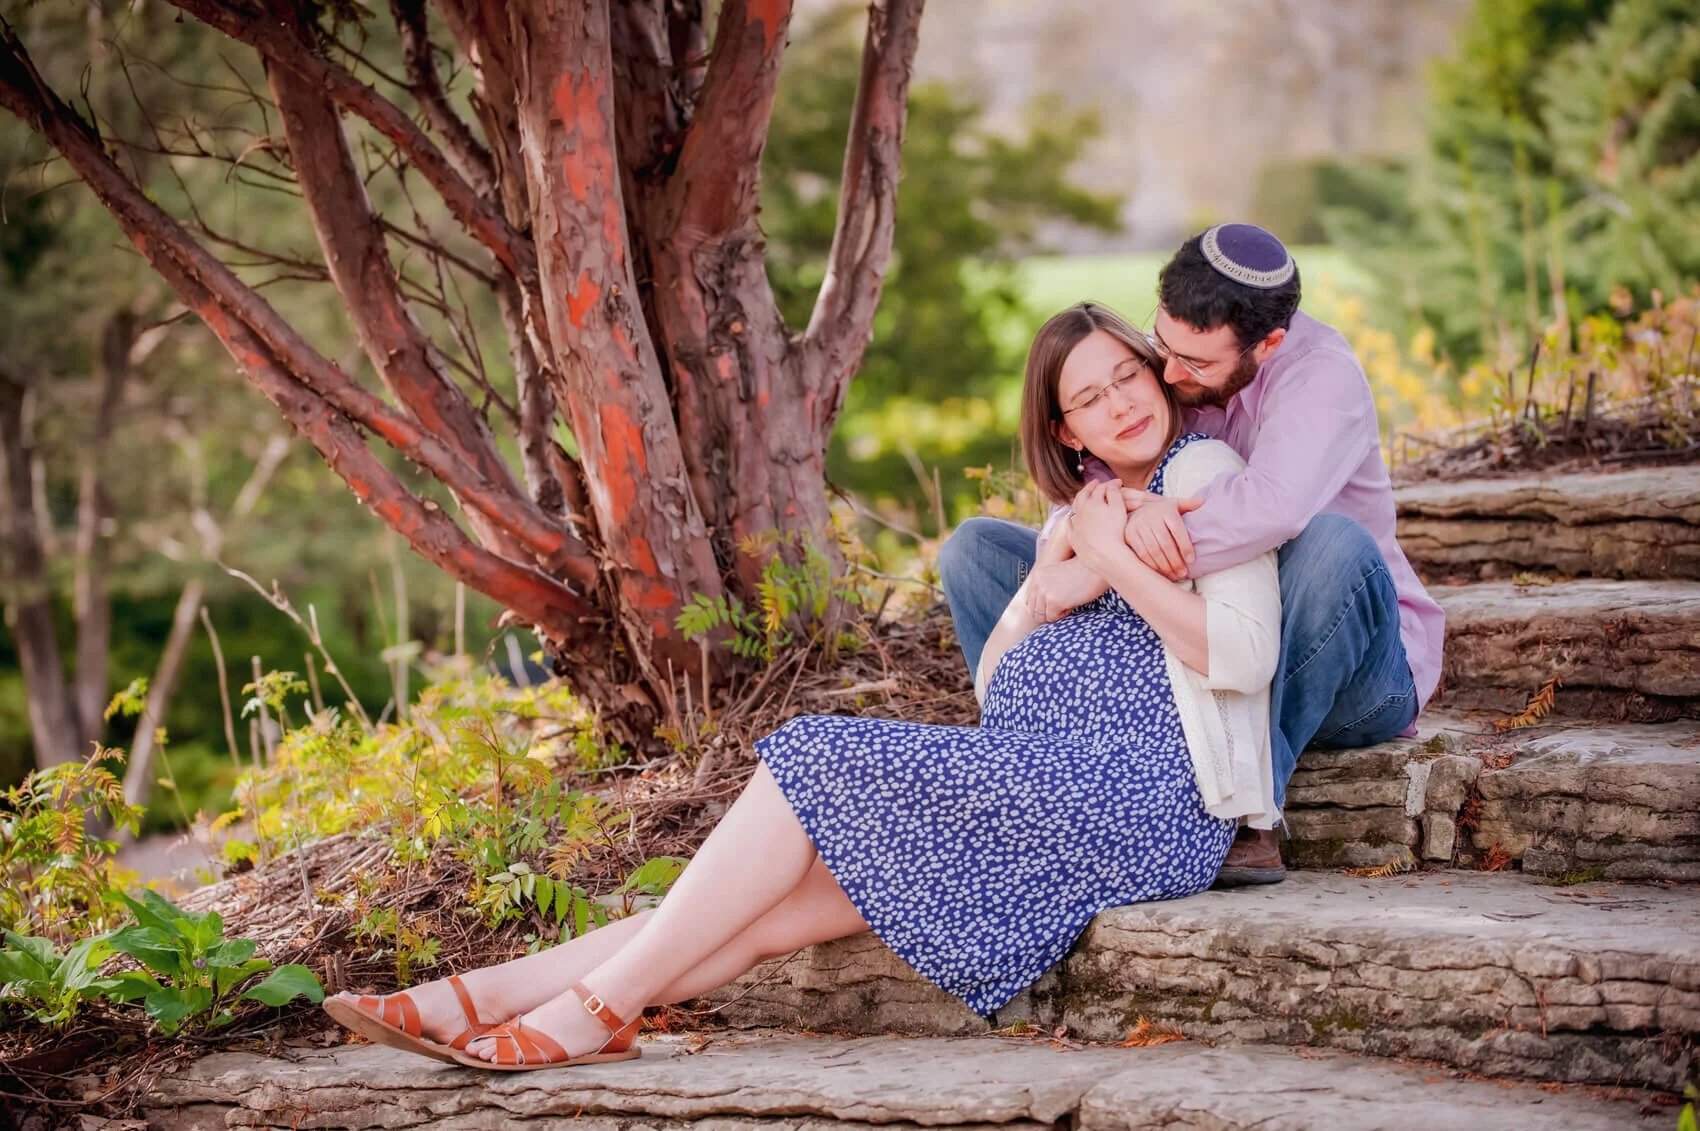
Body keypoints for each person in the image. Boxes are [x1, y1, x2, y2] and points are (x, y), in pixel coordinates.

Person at [322, 302, 1281, 1072]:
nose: (1121, 402)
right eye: (1090, 396)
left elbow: (1243, 656)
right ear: (1065, 431)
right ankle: (486, 998)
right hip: (1033, 777)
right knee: (762, 910)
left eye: (1127, 374)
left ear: (1159, 375)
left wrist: (1119, 559)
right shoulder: (1077, 515)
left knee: (810, 756)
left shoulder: (1204, 473)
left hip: (1139, 798)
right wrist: (1047, 587)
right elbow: (1000, 683)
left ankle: (594, 1007)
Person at [940, 223, 1446, 887]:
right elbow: (1105, 478)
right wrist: (1070, 539)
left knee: (1331, 543)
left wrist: (1101, 564)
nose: (1169, 376)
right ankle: (1026, 773)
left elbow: (1269, 511)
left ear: (1267, 345)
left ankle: (1248, 811)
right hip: (1207, 640)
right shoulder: (1177, 366)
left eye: (1195, 365)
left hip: (1341, 664)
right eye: (1161, 346)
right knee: (975, 550)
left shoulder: (1322, 379)